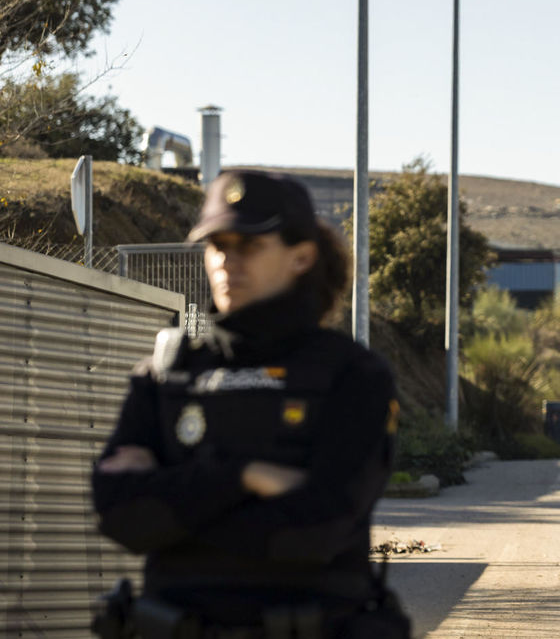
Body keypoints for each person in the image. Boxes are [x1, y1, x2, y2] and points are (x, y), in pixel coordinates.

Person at [91, 171, 409, 639]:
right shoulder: (168, 372)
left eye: (249, 246)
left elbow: (317, 529)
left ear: (301, 256)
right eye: (217, 246)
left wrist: (173, 510)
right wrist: (243, 477)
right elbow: (121, 516)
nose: (226, 262)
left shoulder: (352, 375)